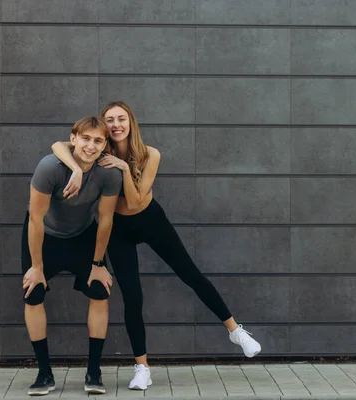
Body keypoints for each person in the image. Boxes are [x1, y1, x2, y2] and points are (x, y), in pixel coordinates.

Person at [52, 101, 261, 391]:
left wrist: (124, 169)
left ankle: (235, 331)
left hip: (150, 219)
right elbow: (58, 146)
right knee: (133, 297)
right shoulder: (100, 149)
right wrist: (75, 168)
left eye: (121, 118)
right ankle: (142, 367)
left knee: (190, 274)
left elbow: (136, 202)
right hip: (118, 229)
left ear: (131, 122)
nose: (115, 124)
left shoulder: (150, 154)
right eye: (109, 119)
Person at [22, 116, 122, 396]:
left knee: (100, 290)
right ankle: (44, 374)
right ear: (73, 138)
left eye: (98, 140)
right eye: (86, 138)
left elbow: (105, 220)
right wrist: (37, 266)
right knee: (33, 293)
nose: (91, 145)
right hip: (45, 235)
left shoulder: (109, 173)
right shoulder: (49, 167)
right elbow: (36, 219)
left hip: (82, 236)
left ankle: (94, 371)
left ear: (104, 146)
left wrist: (98, 264)